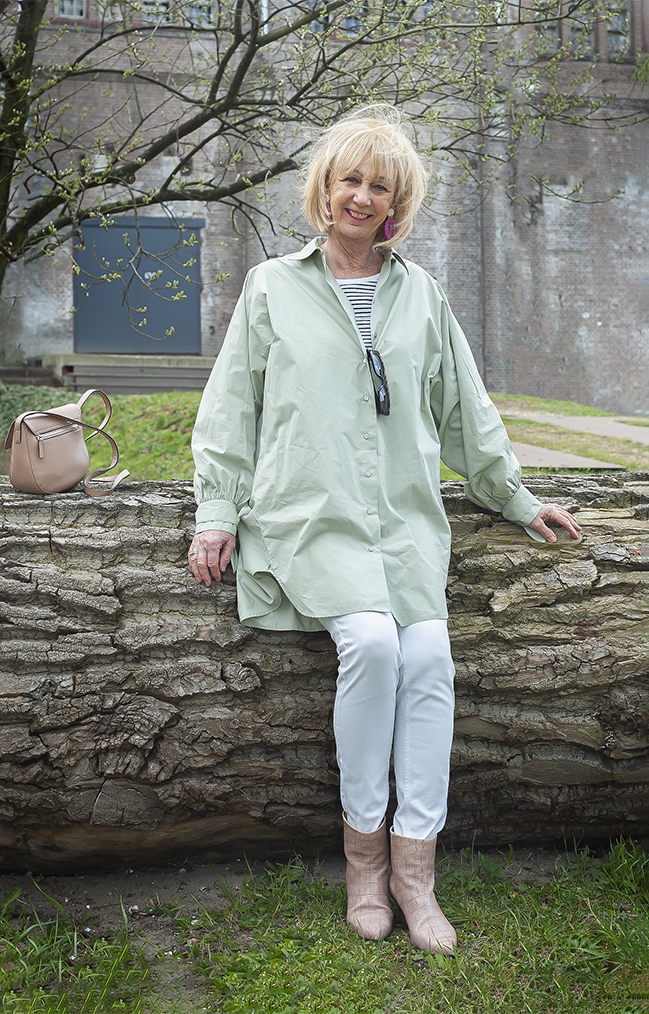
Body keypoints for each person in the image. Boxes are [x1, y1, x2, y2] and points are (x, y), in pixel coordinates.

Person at [187, 104, 581, 955]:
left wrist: (515, 497)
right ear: (323, 189)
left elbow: (466, 412)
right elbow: (230, 413)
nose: (360, 197)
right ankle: (363, 863)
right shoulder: (272, 287)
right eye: (349, 180)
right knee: (369, 643)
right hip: (310, 516)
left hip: (402, 524)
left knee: (430, 658)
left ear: (396, 202)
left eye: (378, 185)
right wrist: (216, 513)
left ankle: (416, 873)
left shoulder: (420, 294)